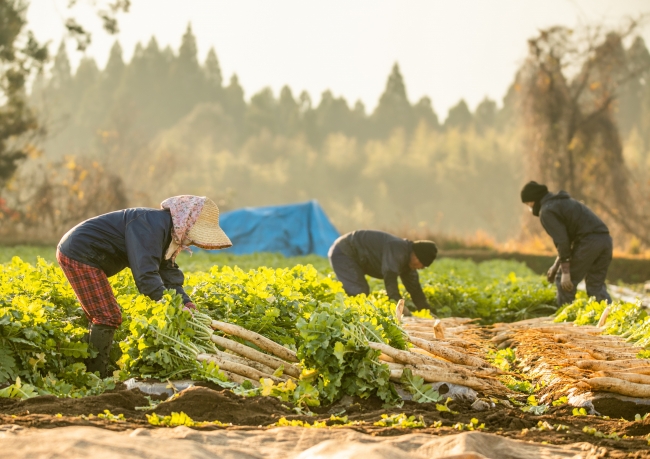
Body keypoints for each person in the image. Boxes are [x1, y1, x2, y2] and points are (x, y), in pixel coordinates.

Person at [56, 195, 232, 377]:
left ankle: (89, 367)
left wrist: (186, 303)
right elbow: (146, 276)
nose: (192, 241)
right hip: (79, 253)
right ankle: (95, 376)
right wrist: (172, 305)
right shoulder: (149, 227)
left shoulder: (167, 233)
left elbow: (168, 274)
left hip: (92, 256)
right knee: (107, 315)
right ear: (186, 221)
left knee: (102, 312)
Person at [520, 181, 612, 306]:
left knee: (563, 281)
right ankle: (609, 317)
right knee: (596, 286)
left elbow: (562, 241)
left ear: (533, 199)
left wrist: (566, 272)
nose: (529, 207)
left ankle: (566, 317)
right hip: (605, 240)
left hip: (588, 242)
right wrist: (555, 265)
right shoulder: (562, 202)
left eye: (528, 203)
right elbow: (567, 241)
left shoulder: (546, 211)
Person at [328, 230, 437, 313]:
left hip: (358, 257)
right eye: (422, 264)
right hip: (344, 252)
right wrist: (398, 305)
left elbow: (415, 289)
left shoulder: (409, 264)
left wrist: (427, 311)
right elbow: (390, 276)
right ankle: (347, 317)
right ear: (416, 255)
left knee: (359, 292)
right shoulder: (398, 249)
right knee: (359, 292)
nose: (421, 267)